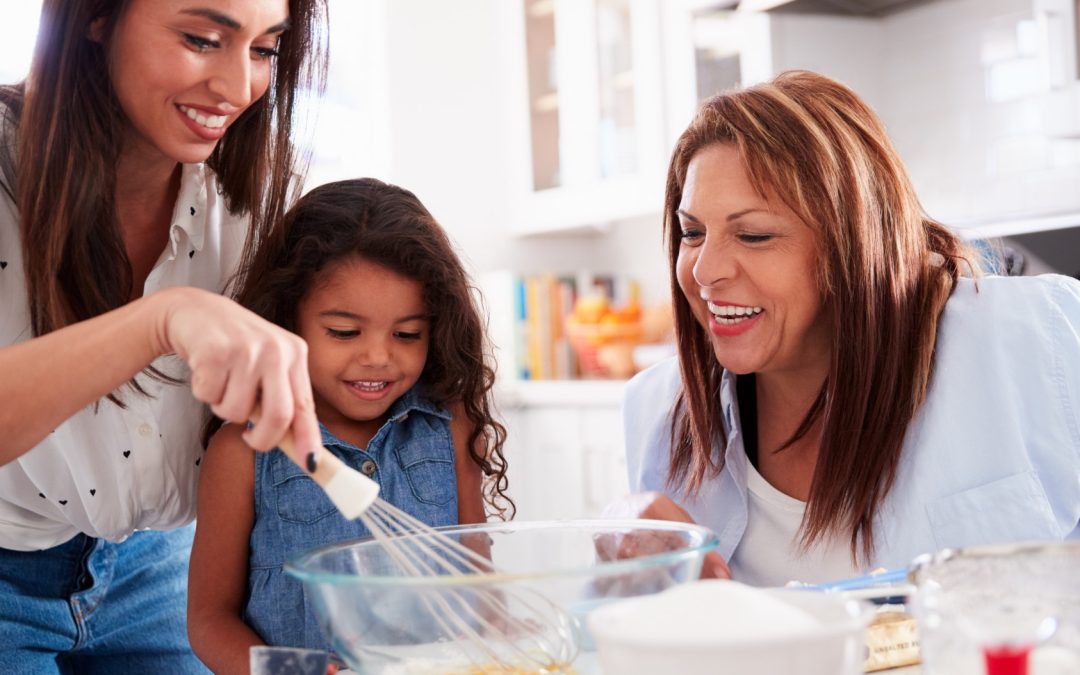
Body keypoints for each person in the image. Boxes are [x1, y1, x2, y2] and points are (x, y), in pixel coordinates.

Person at [619, 70, 1080, 587]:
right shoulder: (660, 413)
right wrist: (622, 547)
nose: (704, 271)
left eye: (753, 235)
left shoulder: (1036, 338)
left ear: (853, 246)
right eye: (692, 233)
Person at [0, 0, 329, 671]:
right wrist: (163, 317)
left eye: (265, 50)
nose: (239, 89)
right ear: (95, 17)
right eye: (203, 39)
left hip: (159, 566)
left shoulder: (261, 189)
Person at [187, 177, 511, 673]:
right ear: (286, 319)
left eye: (407, 334)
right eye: (344, 332)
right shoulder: (243, 451)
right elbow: (210, 619)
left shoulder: (452, 427)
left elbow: (479, 579)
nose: (379, 357)